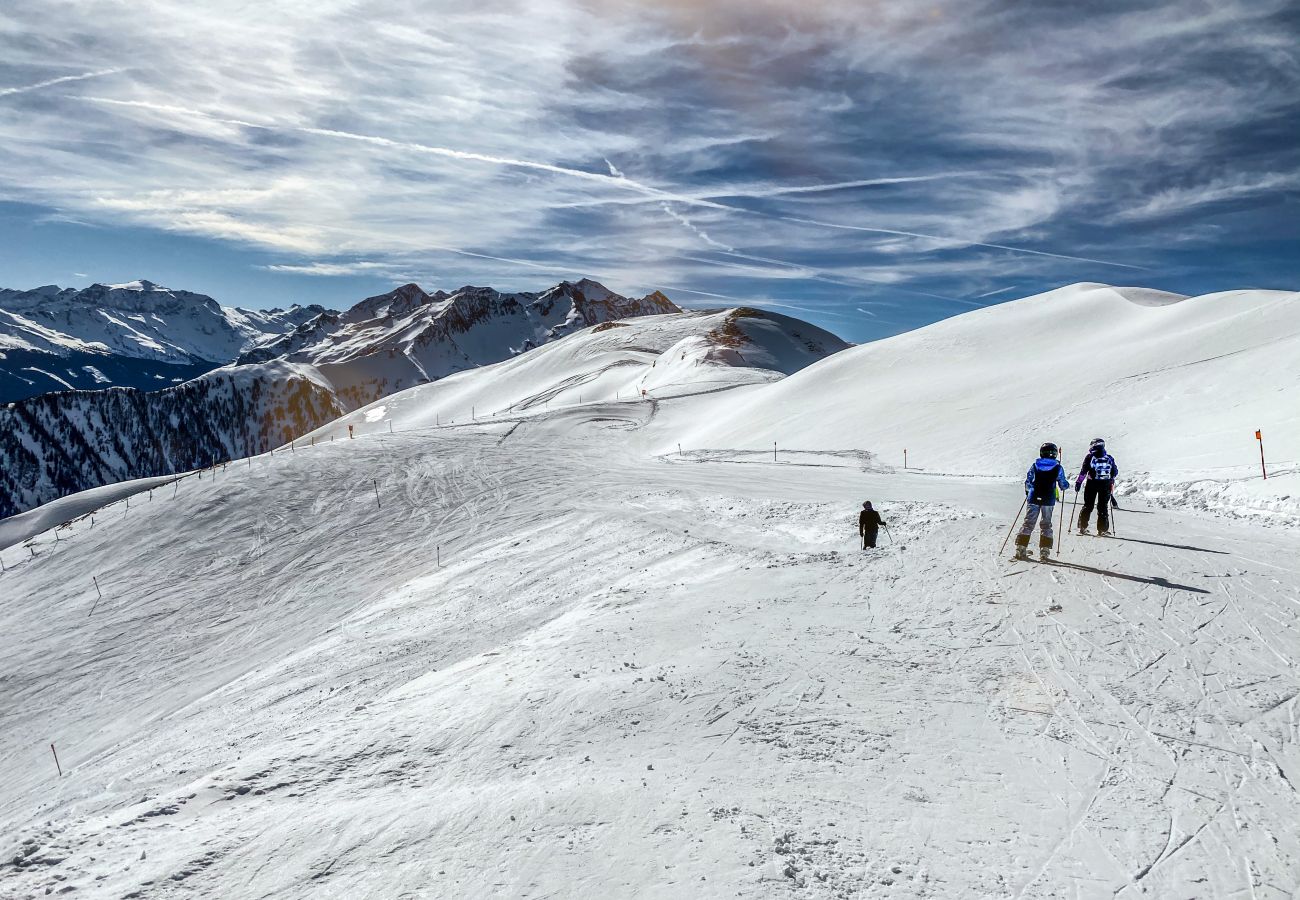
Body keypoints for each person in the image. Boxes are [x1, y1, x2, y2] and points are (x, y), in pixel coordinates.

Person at [1014, 442, 1070, 560]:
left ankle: (1020, 548)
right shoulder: (1058, 467)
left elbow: (1028, 481)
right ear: (1054, 454)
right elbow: (1063, 484)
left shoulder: (1035, 465)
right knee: (1046, 524)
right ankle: (1044, 552)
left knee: (1028, 523)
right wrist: (1065, 485)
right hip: (1048, 499)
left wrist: (1028, 492)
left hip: (1034, 497)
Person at [1075, 438, 1119, 535]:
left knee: (1088, 505)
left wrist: (1079, 482)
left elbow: (1083, 471)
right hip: (1105, 485)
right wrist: (1110, 480)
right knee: (1103, 507)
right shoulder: (1109, 458)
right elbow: (1115, 472)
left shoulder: (1089, 457)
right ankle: (1102, 530)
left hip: (1091, 484)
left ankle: (1082, 527)